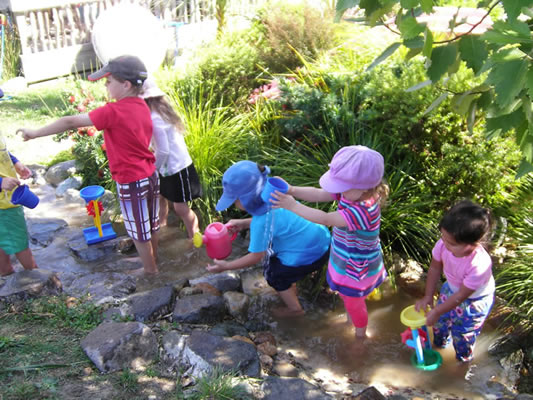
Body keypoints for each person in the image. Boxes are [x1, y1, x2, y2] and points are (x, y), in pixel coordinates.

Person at [18, 55, 160, 275]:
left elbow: (70, 121)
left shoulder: (113, 111)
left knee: (138, 230)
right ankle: (152, 260)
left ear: (126, 84)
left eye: (109, 81)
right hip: (150, 174)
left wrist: (35, 133)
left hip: (131, 180)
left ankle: (150, 270)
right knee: (150, 223)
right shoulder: (142, 104)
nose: (105, 84)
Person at [271, 145, 389, 339]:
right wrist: (292, 190)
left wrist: (291, 205)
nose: (339, 190)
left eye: (343, 186)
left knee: (353, 301)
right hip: (346, 255)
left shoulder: (362, 211)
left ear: (366, 187)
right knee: (348, 297)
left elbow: (326, 219)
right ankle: (350, 321)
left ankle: (361, 336)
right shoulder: (354, 191)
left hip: (357, 267)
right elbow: (319, 194)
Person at [206, 160, 331, 317]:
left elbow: (255, 257)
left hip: (309, 255)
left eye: (234, 200)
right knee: (281, 257)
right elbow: (274, 222)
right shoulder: (279, 197)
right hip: (324, 241)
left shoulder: (260, 222)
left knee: (273, 274)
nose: (234, 204)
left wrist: (227, 266)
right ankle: (293, 283)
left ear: (246, 199)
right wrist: (244, 223)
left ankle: (295, 309)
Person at [415, 200, 494, 363]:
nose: (444, 243)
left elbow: (462, 296)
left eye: (451, 243)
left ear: (473, 244)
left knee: (463, 335)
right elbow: (434, 269)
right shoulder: (443, 245)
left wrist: (437, 310)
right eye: (442, 237)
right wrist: (428, 296)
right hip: (450, 289)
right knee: (439, 325)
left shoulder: (479, 265)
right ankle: (440, 348)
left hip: (473, 301)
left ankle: (461, 364)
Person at [141, 77, 201, 238]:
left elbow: (163, 151)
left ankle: (194, 236)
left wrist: (152, 169)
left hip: (176, 167)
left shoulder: (155, 119)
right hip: (170, 166)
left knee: (181, 208)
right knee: (160, 196)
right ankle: (162, 224)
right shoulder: (162, 112)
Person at [0, 134, 38, 276]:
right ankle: (37, 275)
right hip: (5, 204)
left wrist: (16, 163)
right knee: (19, 242)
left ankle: (5, 273)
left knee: (3, 238)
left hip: (7, 198)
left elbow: (3, 151)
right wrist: (0, 183)